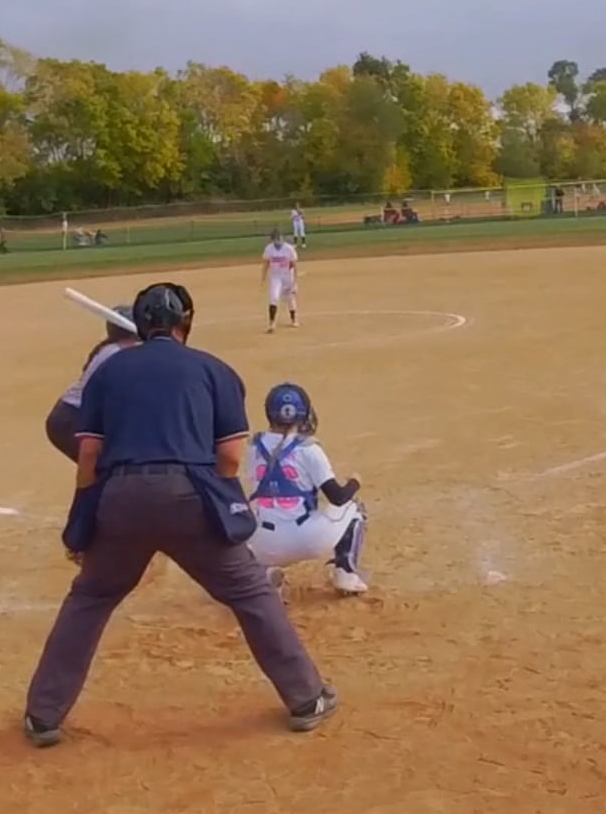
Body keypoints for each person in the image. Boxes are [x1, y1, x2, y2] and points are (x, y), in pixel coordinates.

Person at [22, 283, 337, 747]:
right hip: (190, 496)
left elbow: (88, 453)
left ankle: (43, 715)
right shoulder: (213, 369)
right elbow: (229, 457)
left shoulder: (109, 370)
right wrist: (217, 500)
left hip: (121, 497)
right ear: (186, 322)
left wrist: (86, 511)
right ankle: (306, 698)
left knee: (89, 598)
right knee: (250, 592)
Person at [246, 383, 369, 595]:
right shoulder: (308, 448)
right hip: (307, 540)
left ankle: (264, 575)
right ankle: (346, 573)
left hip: (266, 545)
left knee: (250, 525)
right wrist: (354, 482)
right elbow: (338, 497)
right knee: (354, 508)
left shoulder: (254, 446)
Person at [42, 304, 139, 461]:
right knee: (105, 465)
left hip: (75, 417)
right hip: (72, 419)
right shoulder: (115, 353)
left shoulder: (115, 350)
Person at [260, 228, 299, 334]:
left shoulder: (289, 249)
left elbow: (294, 265)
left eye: (279, 238)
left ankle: (293, 319)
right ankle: (271, 323)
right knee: (274, 297)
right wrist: (263, 277)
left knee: (290, 298)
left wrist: (295, 281)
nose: (278, 241)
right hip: (275, 277)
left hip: (287, 276)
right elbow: (266, 263)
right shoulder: (269, 249)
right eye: (276, 239)